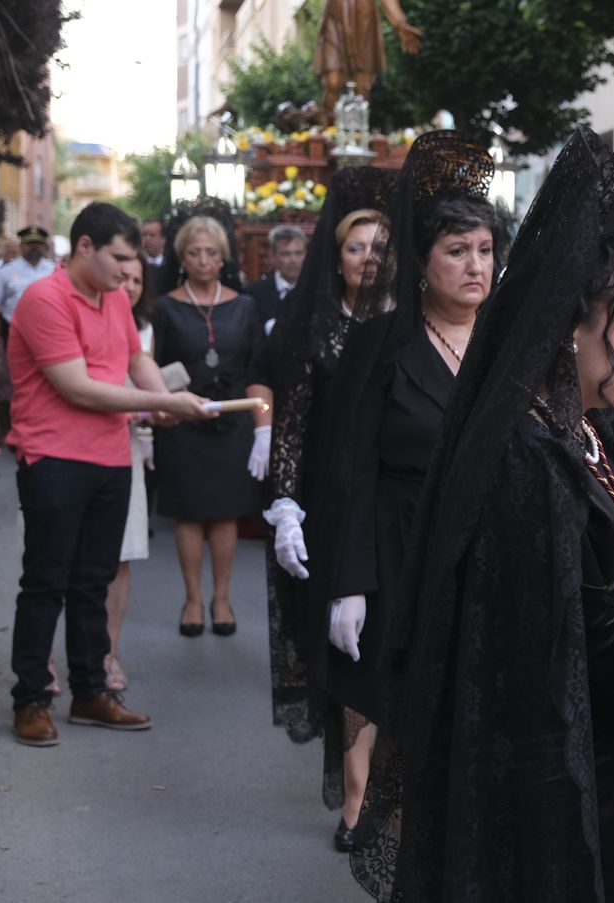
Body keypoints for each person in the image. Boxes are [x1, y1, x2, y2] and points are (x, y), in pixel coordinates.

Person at [349, 126, 614, 901]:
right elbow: (591, 633)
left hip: (599, 732)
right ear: (571, 329)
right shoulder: (526, 452)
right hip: (552, 755)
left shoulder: (578, 427)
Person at [306, 135, 496, 852]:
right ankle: (361, 801)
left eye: (484, 250)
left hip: (479, 539)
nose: (475, 265)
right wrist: (348, 581)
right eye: (457, 250)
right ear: (421, 262)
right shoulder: (381, 343)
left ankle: (439, 807)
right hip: (394, 534)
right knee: (373, 678)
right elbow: (350, 466)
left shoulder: (506, 346)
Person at [7, 202, 213, 747]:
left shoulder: (115, 298)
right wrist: (158, 402)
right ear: (84, 247)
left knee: (93, 582)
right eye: (119, 259)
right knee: (46, 581)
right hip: (53, 456)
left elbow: (135, 360)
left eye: (132, 261)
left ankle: (89, 692)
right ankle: (30, 699)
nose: (128, 271)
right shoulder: (45, 298)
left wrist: (163, 397)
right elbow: (77, 387)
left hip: (111, 457)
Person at [256, 167, 396, 846]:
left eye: (379, 247)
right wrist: (285, 503)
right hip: (332, 503)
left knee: (400, 644)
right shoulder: (314, 325)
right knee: (351, 654)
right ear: (334, 257)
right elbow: (291, 425)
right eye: (355, 246)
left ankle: (401, 787)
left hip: (399, 500)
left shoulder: (411, 323)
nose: (368, 257)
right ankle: (357, 796)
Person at [151, 211, 270, 637]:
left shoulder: (245, 305)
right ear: (181, 258)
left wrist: (263, 428)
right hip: (183, 423)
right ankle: (192, 598)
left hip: (232, 424)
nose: (203, 260)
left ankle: (221, 597)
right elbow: (152, 368)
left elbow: (258, 369)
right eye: (194, 253)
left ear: (223, 257)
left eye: (211, 252)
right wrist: (155, 417)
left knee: (224, 514)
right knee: (188, 514)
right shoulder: (165, 306)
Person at [103, 257, 159, 691]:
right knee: (63, 560)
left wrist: (160, 407)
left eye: (138, 279)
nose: (131, 286)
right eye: (123, 277)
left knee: (120, 555)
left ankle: (109, 653)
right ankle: (47, 657)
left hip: (125, 447)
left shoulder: (144, 329)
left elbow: (145, 385)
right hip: (73, 445)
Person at [0, 225, 56, 436]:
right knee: (11, 384)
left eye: (38, 244)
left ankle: (41, 426)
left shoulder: (55, 271)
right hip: (13, 334)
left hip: (50, 335)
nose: (34, 248)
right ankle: (10, 428)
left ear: (45, 247)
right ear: (22, 246)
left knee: (46, 382)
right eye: (29, 244)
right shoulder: (6, 273)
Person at [244, 224, 309, 329]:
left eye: (298, 253)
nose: (293, 260)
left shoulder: (317, 290)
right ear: (273, 256)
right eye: (285, 254)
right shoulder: (254, 294)